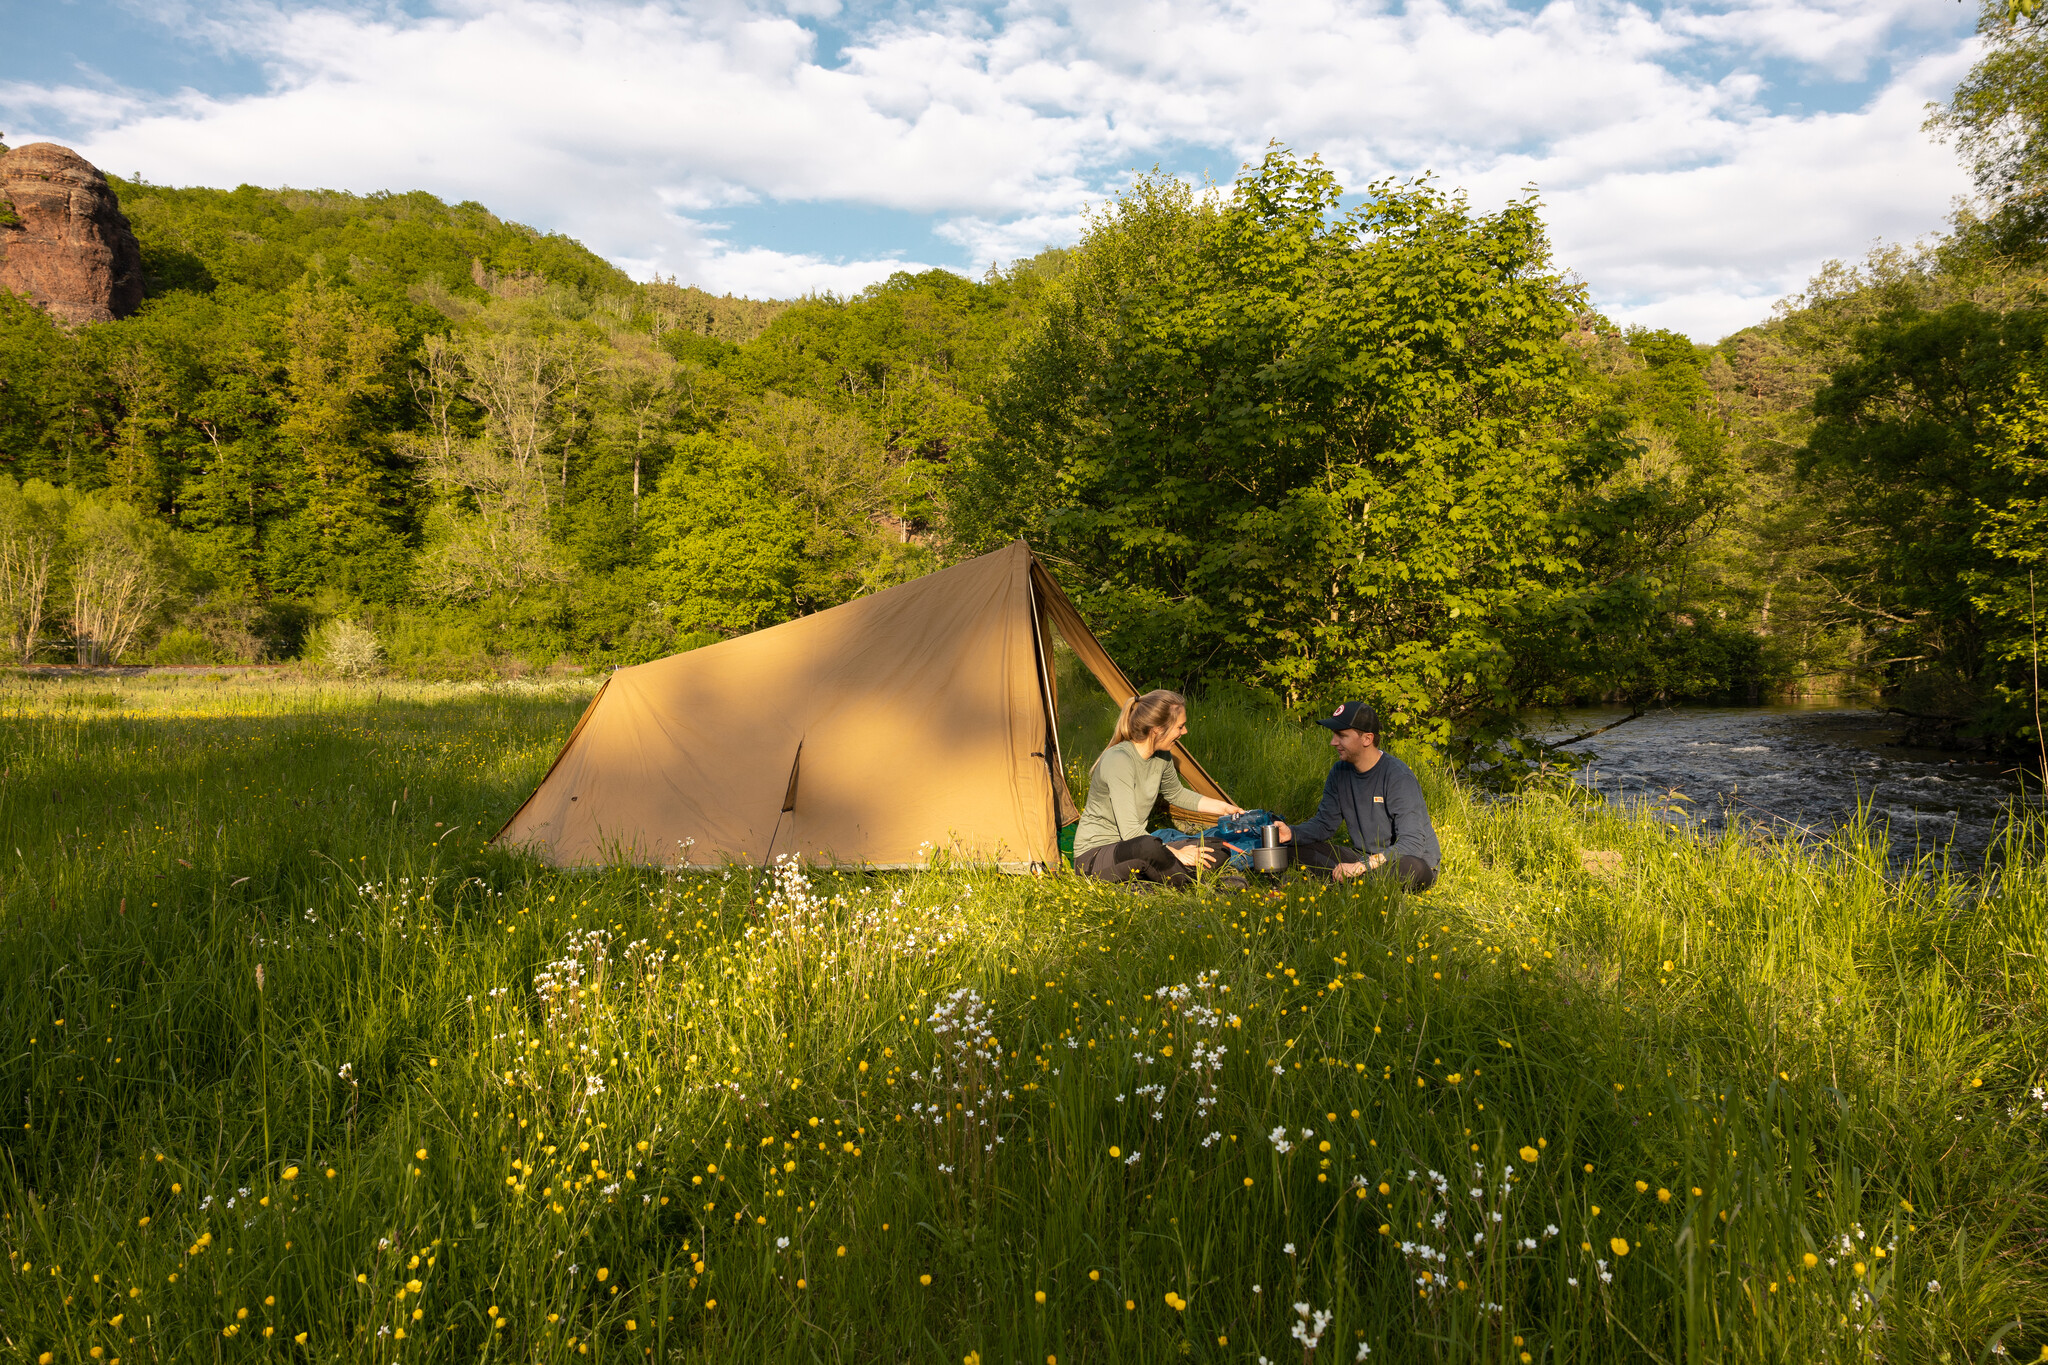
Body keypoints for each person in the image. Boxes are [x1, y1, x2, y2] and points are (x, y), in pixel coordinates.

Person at [1073, 689, 1246, 888]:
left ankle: (1155, 880)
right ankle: (1203, 887)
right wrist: (1175, 852)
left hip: (1135, 848)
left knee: (1216, 848)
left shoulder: (1162, 756)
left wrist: (1224, 808)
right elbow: (1131, 832)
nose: (1184, 732)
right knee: (1149, 848)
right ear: (1157, 729)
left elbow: (1176, 793)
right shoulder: (1119, 760)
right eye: (1180, 726)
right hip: (1096, 856)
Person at [1272, 700, 1441, 891]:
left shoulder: (1398, 776)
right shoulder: (1339, 772)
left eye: (1341, 735)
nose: (1333, 742)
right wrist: (1292, 833)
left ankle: (1342, 881)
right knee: (1287, 848)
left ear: (1367, 739)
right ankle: (1351, 882)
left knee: (1412, 868)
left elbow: (1412, 843)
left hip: (1404, 861)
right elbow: (1324, 825)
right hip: (1362, 858)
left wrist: (1363, 866)